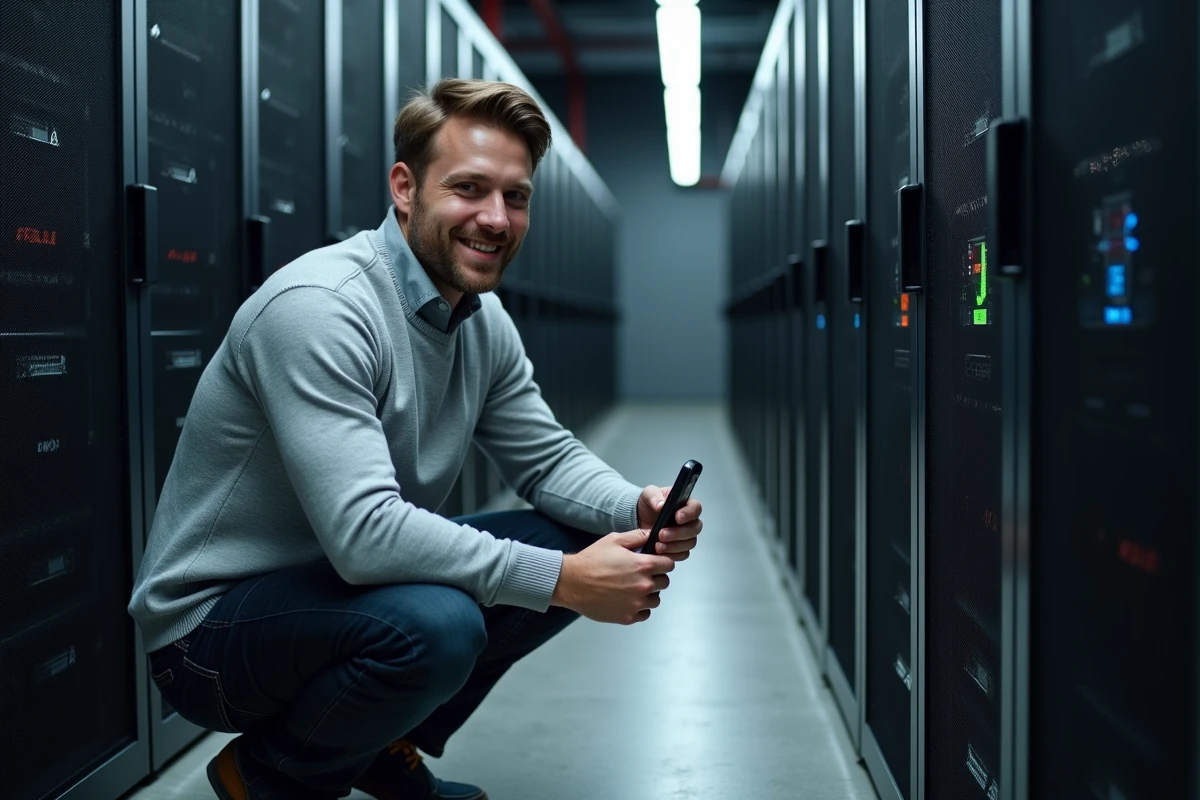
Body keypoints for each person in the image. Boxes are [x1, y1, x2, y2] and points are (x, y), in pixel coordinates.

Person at [127, 79, 704, 800]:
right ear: (405, 187)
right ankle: (270, 777)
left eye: (516, 196)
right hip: (210, 636)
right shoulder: (323, 309)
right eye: (469, 189)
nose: (495, 218)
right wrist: (565, 582)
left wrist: (634, 508)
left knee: (568, 533)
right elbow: (365, 535)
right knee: (440, 623)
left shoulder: (479, 319)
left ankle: (373, 742)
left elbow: (545, 456)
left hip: (336, 593)